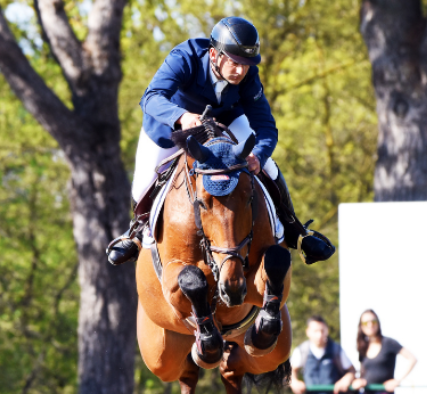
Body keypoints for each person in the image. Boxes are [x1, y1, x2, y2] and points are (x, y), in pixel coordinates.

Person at [105, 16, 335, 266]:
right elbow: (150, 98)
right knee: (143, 185)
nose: (241, 71)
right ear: (214, 55)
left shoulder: (248, 76)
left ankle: (296, 232)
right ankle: (137, 232)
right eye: (235, 62)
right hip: (168, 127)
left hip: (222, 122)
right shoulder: (185, 57)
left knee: (269, 165)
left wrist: (258, 155)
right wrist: (181, 116)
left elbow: (266, 126)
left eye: (247, 64)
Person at [351, 310, 417, 393]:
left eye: (373, 321)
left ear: (378, 323)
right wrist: (359, 381)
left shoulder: (388, 343)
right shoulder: (363, 347)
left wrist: (398, 380)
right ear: (361, 326)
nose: (370, 325)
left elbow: (412, 359)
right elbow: (363, 371)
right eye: (365, 323)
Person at [290, 315, 355, 394]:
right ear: (308, 332)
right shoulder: (302, 350)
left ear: (327, 331)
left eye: (322, 331)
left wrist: (345, 380)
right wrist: (294, 382)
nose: (319, 335)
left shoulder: (336, 349)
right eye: (316, 331)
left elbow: (351, 370)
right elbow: (290, 372)